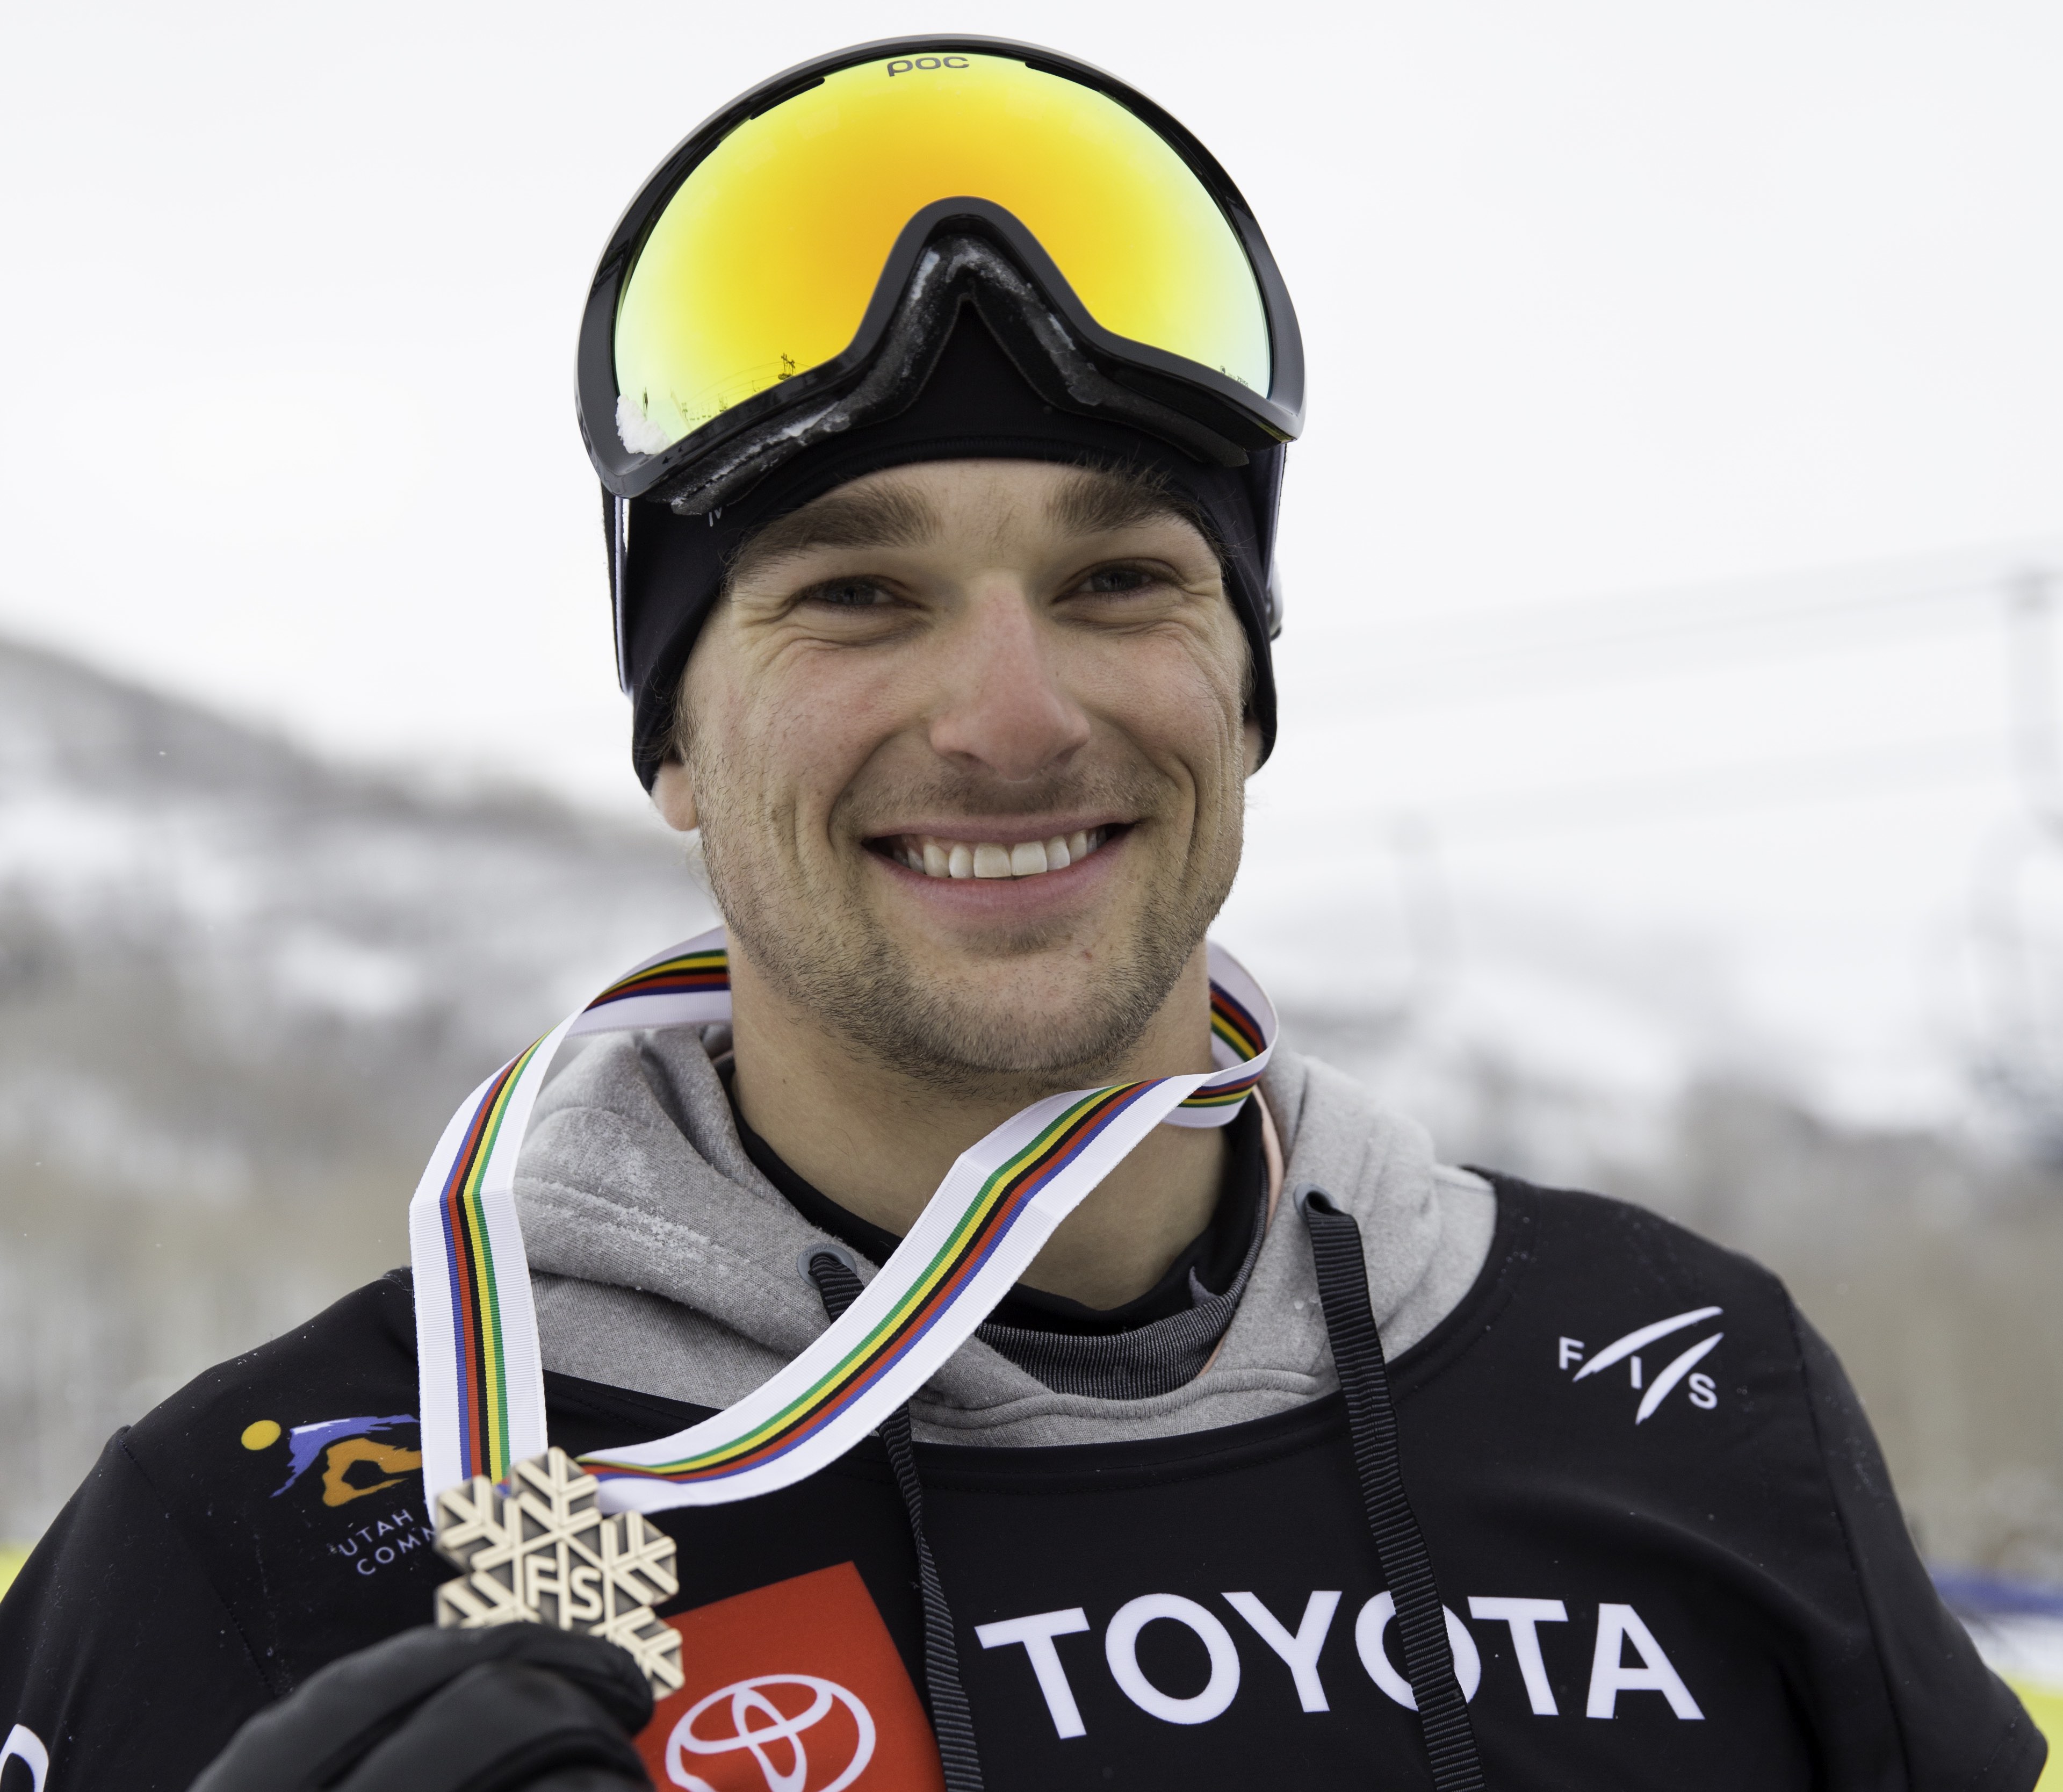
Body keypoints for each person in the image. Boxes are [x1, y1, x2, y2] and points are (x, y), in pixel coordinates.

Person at [0, 37, 2044, 1792]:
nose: (1010, 718)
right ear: (676, 748)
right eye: (855, 594)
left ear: (1243, 691)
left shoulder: (1690, 1388)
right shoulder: (271, 1532)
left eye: (1120, 583)